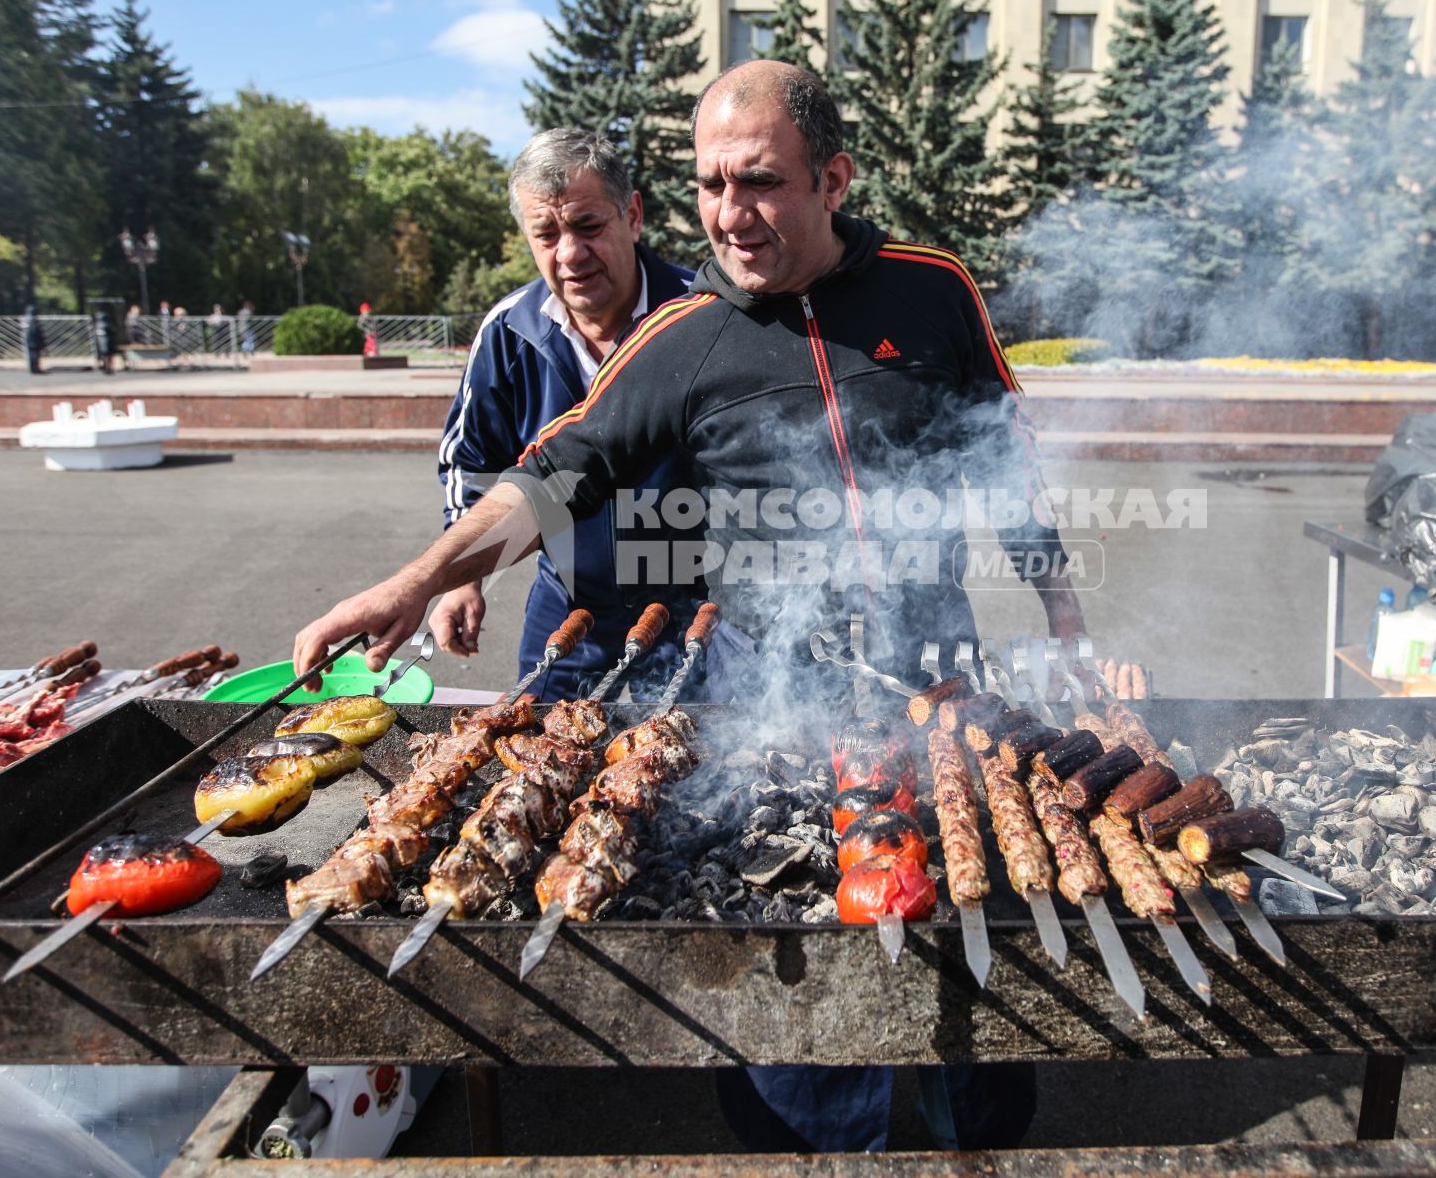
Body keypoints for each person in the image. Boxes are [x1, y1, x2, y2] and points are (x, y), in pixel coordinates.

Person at [292, 62, 1089, 1149]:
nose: (728, 214)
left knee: (965, 938)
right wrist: (417, 579)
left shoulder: (931, 287)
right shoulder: (686, 332)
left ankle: (971, 1139)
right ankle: (815, 1152)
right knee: (801, 964)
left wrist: (1070, 625)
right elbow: (549, 475)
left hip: (934, 670)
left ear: (835, 178)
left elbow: (1007, 467)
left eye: (758, 181)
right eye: (711, 185)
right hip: (779, 694)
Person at [431, 127, 699, 698]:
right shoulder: (509, 332)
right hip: (570, 598)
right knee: (537, 759)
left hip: (693, 604)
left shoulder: (702, 315)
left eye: (588, 225)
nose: (570, 254)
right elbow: (471, 461)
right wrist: (465, 574)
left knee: (698, 769)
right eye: (546, 233)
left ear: (632, 215)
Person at [20, 304, 43, 374]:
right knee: (34, 355)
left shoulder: (24, 319)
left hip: (27, 339)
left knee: (30, 355)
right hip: (33, 339)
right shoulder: (33, 320)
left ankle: (32, 368)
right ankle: (35, 368)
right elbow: (35, 331)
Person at [91, 309, 115, 374]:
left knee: (105, 355)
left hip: (102, 344)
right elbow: (112, 332)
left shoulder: (97, 325)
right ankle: (108, 367)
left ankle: (107, 367)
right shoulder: (105, 324)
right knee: (107, 355)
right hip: (106, 344)